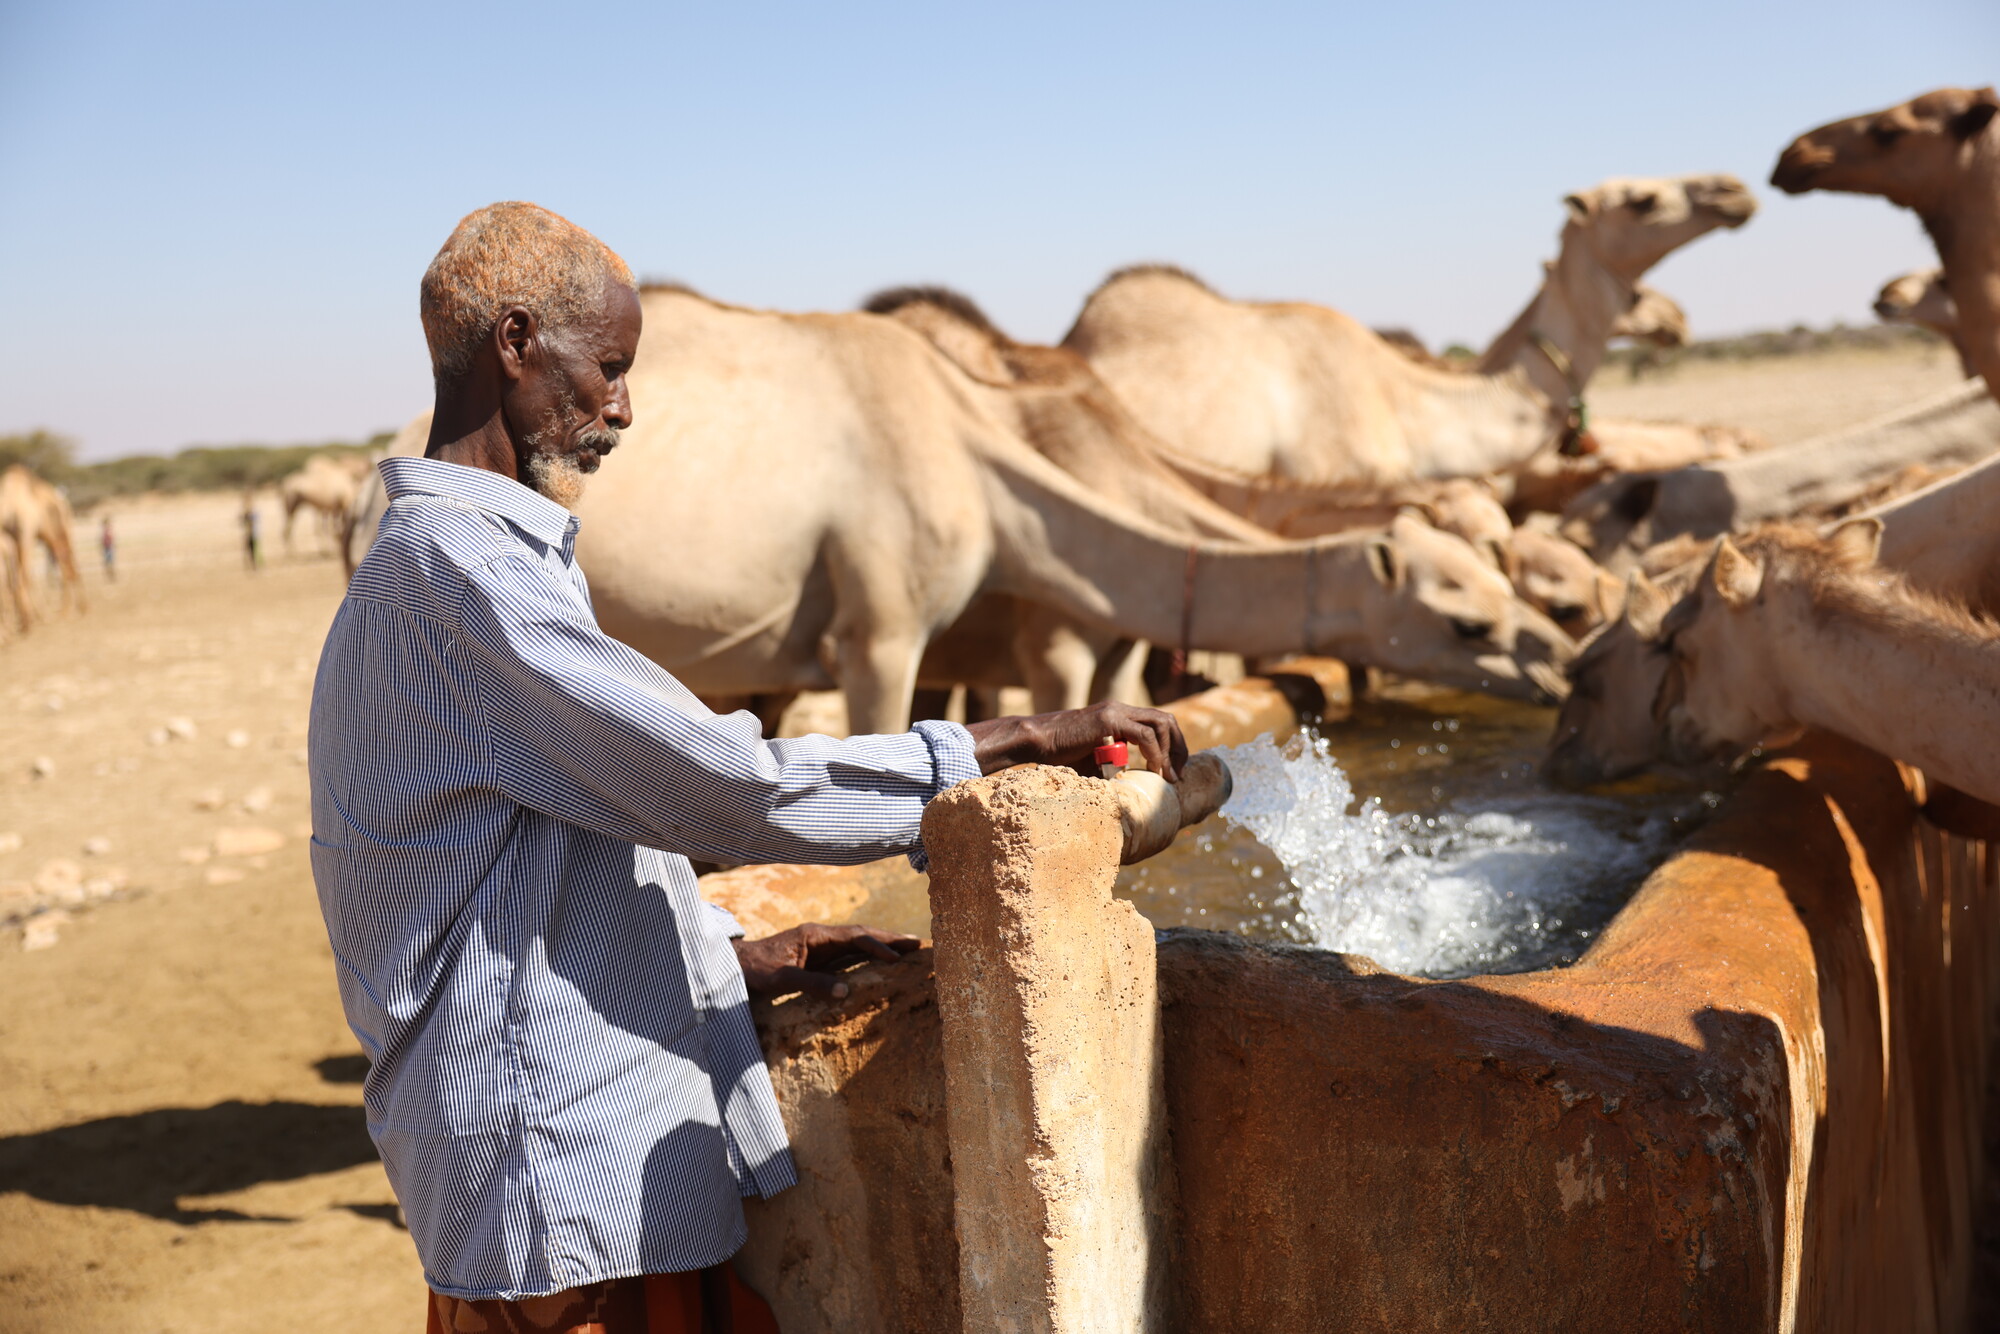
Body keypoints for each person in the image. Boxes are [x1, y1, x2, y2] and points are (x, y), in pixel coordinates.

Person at [308, 202, 1188, 1334]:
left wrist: (725, 959)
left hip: (542, 1174)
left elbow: (520, 870)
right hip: (552, 1187)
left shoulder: (457, 564)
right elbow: (722, 786)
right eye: (608, 369)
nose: (623, 407)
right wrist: (1002, 741)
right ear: (516, 345)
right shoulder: (464, 575)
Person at [240, 501, 260, 570]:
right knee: (251, 551)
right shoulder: (249, 516)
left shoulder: (249, 516)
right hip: (250, 535)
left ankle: (250, 565)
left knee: (250, 551)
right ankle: (250, 565)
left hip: (249, 535)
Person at [99, 515, 115, 582]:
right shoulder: (105, 531)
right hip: (107, 548)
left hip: (109, 548)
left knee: (109, 562)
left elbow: (110, 539)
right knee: (107, 563)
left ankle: (111, 576)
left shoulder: (108, 531)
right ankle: (110, 576)